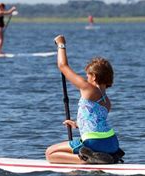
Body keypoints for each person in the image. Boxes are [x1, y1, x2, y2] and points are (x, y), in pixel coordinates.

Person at [45, 35, 123, 164]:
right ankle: (108, 156)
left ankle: (86, 159)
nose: (86, 79)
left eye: (87, 76)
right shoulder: (107, 101)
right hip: (112, 142)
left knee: (50, 153)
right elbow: (95, 121)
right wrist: (77, 124)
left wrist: (61, 44)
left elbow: (62, 66)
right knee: (59, 151)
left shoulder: (89, 88)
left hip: (94, 142)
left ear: (93, 77)